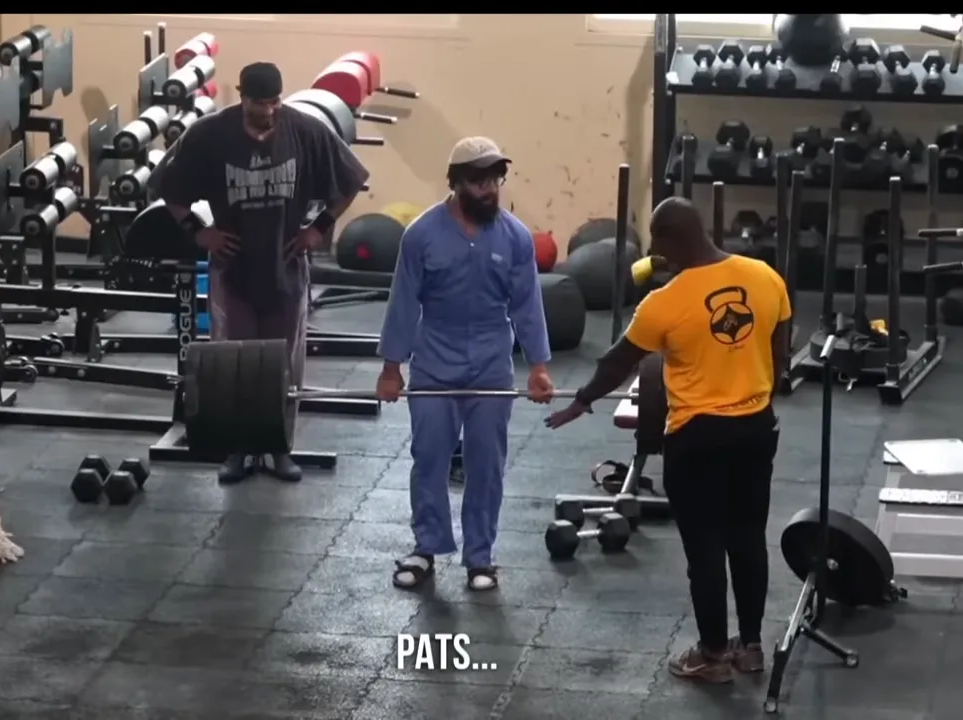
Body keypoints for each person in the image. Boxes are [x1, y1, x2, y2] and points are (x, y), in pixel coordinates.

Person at [546, 197, 788, 683]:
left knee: (705, 549)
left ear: (675, 237)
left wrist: (583, 401)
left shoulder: (665, 302)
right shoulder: (764, 276)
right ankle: (752, 647)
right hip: (756, 430)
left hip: (697, 439)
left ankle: (713, 654)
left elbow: (617, 361)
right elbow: (779, 348)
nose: (654, 251)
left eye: (657, 241)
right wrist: (755, 386)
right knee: (747, 539)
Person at [154, 61, 370, 485]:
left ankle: (277, 448)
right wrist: (200, 233)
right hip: (233, 268)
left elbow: (351, 180)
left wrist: (319, 229)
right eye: (259, 103)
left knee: (283, 363)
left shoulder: (304, 131)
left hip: (285, 264)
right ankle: (237, 450)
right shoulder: (210, 134)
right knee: (233, 360)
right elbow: (170, 190)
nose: (268, 111)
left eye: (274, 102)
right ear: (241, 96)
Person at [376, 137, 556, 592]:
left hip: (491, 365)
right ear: (455, 183)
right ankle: (426, 547)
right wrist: (392, 367)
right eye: (478, 181)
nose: (489, 189)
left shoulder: (514, 236)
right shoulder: (421, 234)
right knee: (430, 456)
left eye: (494, 179)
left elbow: (528, 305)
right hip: (435, 360)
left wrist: (537, 366)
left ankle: (481, 557)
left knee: (486, 462)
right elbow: (403, 303)